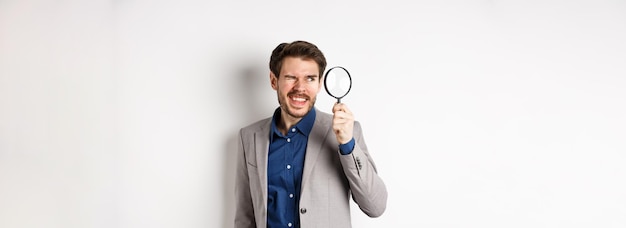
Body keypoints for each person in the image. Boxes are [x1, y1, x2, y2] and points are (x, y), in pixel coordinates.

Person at [234, 40, 387, 228]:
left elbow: (375, 206)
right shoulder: (249, 137)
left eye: (310, 78)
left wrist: (347, 144)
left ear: (320, 83)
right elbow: (244, 216)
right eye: (291, 77)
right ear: (274, 81)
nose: (300, 88)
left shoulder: (347, 132)